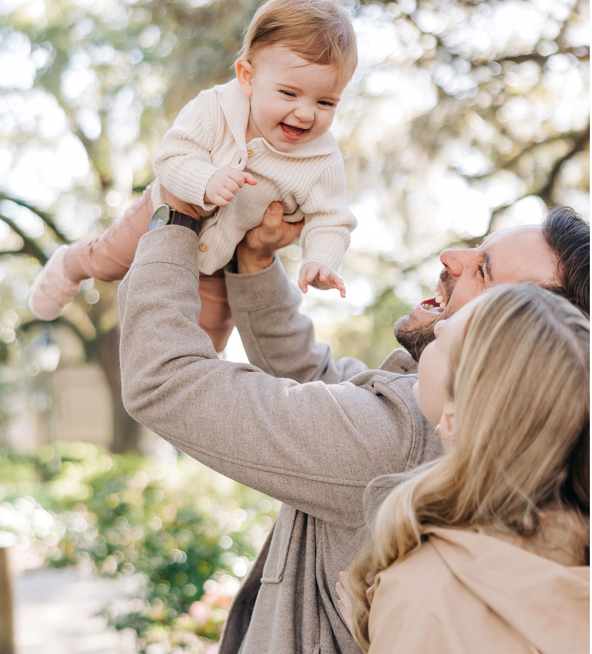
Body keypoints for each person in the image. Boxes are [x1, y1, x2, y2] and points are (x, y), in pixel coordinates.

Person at [116, 191, 589, 654]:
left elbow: (166, 380)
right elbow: (322, 386)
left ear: (527, 330)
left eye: (483, 270)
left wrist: (174, 221)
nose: (451, 256)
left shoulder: (401, 431)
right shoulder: (521, 442)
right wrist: (256, 263)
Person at [27, 0, 362, 350]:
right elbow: (170, 158)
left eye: (325, 103)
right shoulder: (215, 107)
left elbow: (330, 217)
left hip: (224, 258)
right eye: (288, 93)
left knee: (209, 338)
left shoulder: (321, 159)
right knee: (108, 261)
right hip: (163, 214)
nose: (304, 113)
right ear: (247, 77)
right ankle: (70, 263)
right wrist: (206, 179)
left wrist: (321, 259)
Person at [335, 284, 589, 653]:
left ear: (453, 419)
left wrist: (386, 632)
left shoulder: (423, 591)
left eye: (445, 340)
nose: (437, 327)